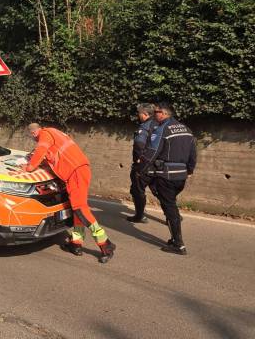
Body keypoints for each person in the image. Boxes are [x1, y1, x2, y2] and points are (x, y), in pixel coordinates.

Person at [23, 123, 116, 263]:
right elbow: (55, 156)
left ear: (33, 133)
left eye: (33, 138)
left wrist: (29, 167)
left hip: (75, 173)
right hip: (77, 170)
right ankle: (76, 244)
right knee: (76, 208)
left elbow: (41, 150)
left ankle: (106, 245)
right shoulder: (54, 132)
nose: (35, 141)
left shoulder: (44, 135)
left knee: (80, 209)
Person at [140, 102, 196, 255]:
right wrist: (189, 170)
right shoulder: (187, 129)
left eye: (156, 112)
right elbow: (193, 153)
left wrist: (142, 168)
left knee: (170, 207)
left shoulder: (162, 129)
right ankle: (174, 238)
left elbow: (153, 150)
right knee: (170, 204)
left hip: (166, 175)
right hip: (181, 176)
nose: (154, 114)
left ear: (164, 114)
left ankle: (178, 244)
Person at [127, 103, 158, 223]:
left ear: (145, 114)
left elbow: (139, 143)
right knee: (161, 191)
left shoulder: (145, 126)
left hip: (144, 165)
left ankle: (139, 216)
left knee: (137, 189)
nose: (138, 115)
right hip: (158, 164)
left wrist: (139, 158)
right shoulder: (160, 124)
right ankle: (172, 215)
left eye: (139, 113)